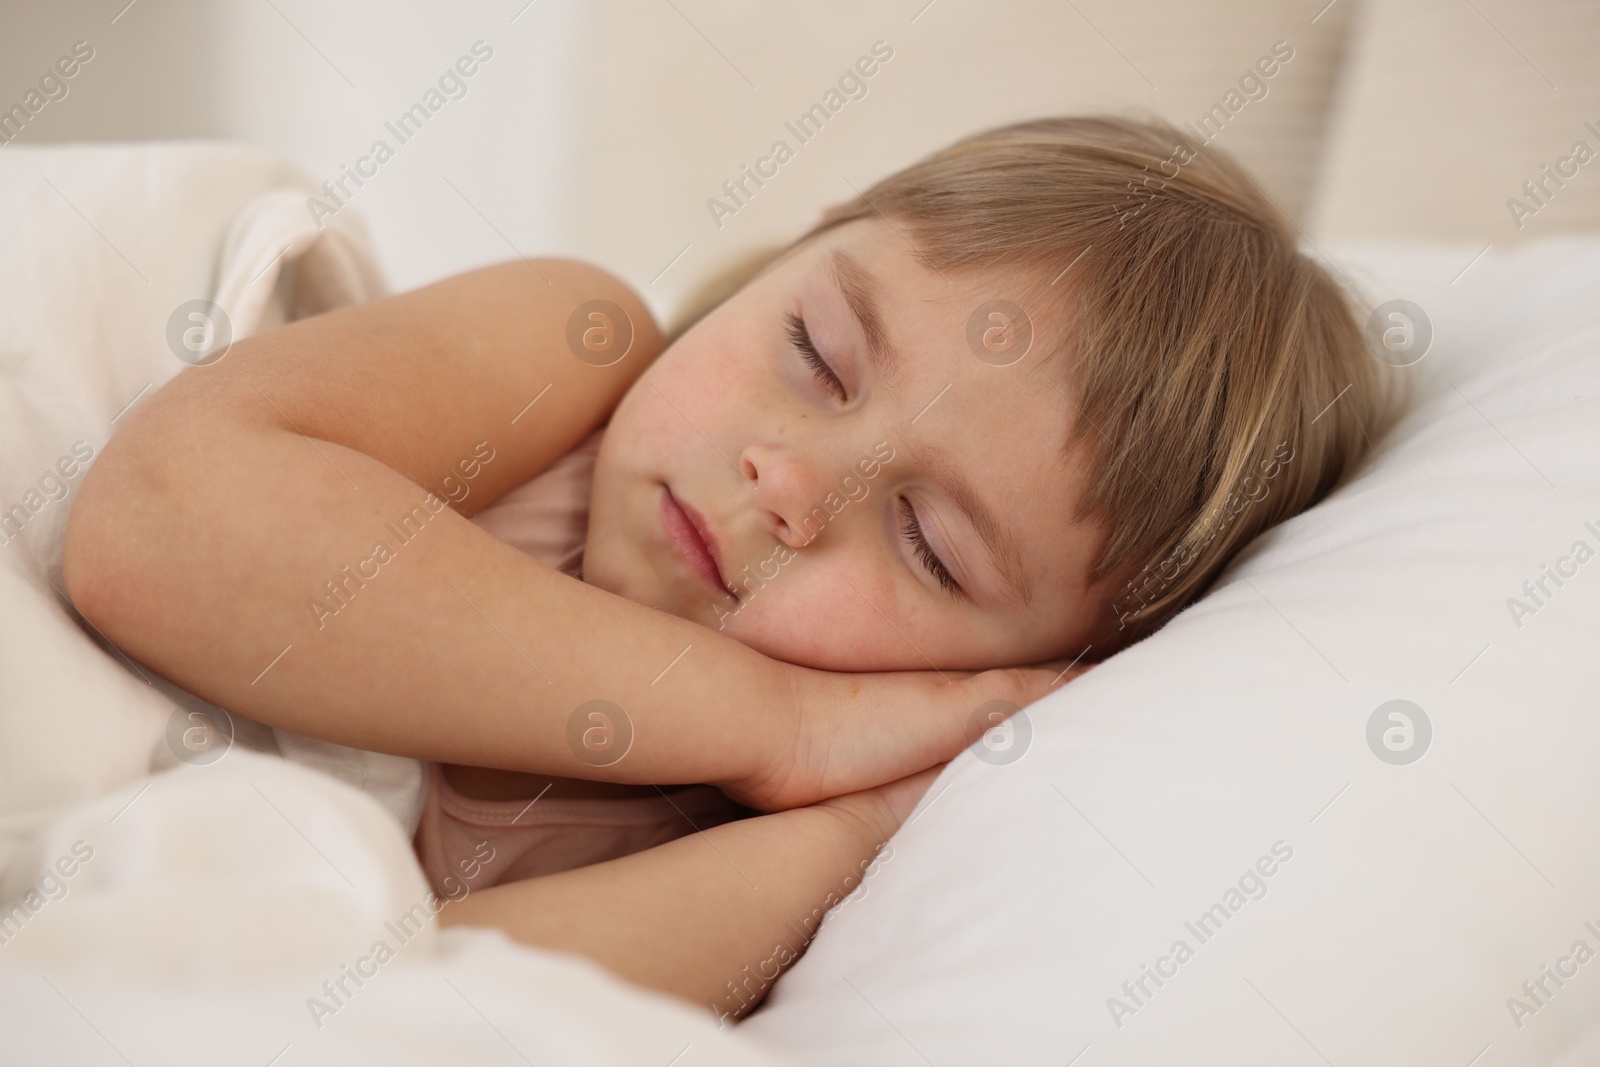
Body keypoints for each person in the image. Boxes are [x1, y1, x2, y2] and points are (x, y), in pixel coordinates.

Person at [61, 115, 1387, 1024]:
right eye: (816, 351)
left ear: (1015, 668)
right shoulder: (568, 355)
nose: (794, 483)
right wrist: (778, 718)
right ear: (795, 251)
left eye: (929, 543)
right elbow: (160, 526)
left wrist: (858, 821)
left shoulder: (722, 845)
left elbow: (397, 1016)